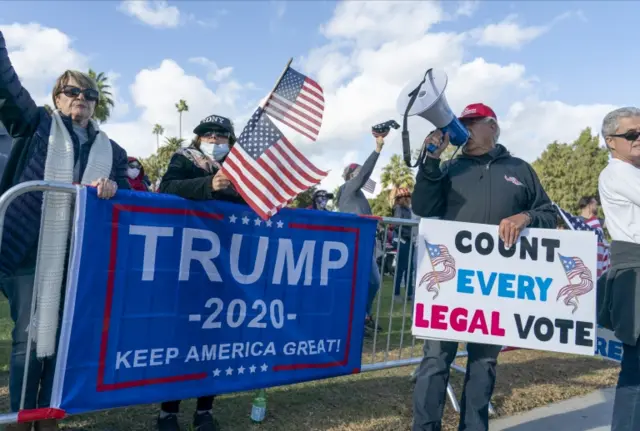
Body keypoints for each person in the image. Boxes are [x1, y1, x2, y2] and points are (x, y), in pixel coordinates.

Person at [0, 30, 129, 431]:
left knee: (63, 340)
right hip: (26, 251)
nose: (81, 99)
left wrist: (114, 186)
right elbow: (7, 88)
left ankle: (49, 414)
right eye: (72, 91)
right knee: (27, 341)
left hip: (78, 259)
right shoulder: (36, 123)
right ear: (57, 97)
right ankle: (22, 416)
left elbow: (126, 190)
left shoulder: (113, 151)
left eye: (90, 95)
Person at [411, 103, 557, 431]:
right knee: (435, 361)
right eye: (460, 123)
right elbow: (422, 206)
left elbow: (549, 213)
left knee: (484, 363)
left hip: (495, 286)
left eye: (470, 123)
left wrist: (527, 217)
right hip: (449, 284)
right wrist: (431, 160)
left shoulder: (520, 169)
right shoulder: (449, 168)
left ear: (492, 126)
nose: (461, 129)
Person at [157, 114, 243, 431]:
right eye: (208, 134)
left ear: (230, 140)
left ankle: (204, 410)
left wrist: (230, 187)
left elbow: (253, 201)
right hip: (185, 260)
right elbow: (167, 187)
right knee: (180, 337)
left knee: (214, 339)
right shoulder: (184, 158)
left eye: (221, 135)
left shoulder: (242, 168)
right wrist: (209, 184)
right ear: (198, 138)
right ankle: (168, 411)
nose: (214, 139)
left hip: (226, 261)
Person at [597, 107, 640, 431]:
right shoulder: (618, 173)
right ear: (612, 141)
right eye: (632, 135)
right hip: (635, 267)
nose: (639, 139)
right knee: (636, 364)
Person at [336, 135, 384, 334]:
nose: (361, 176)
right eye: (357, 173)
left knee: (370, 282)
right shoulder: (348, 188)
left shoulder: (357, 194)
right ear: (350, 176)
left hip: (364, 242)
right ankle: (357, 320)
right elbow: (365, 173)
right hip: (353, 243)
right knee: (366, 282)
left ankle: (363, 316)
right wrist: (378, 149)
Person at [392, 187, 415, 301]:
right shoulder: (399, 208)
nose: (408, 199)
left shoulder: (408, 210)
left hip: (409, 239)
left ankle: (409, 293)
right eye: (406, 197)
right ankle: (396, 293)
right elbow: (397, 224)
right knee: (401, 268)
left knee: (409, 268)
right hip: (402, 240)